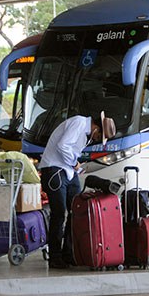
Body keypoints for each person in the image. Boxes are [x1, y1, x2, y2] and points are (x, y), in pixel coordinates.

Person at [37, 113, 108, 270]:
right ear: (96, 128)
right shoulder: (79, 123)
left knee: (77, 211)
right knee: (59, 213)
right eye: (99, 136)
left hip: (68, 171)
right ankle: (55, 256)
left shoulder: (85, 132)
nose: (95, 140)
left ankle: (69, 253)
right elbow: (63, 145)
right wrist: (75, 163)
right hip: (55, 168)